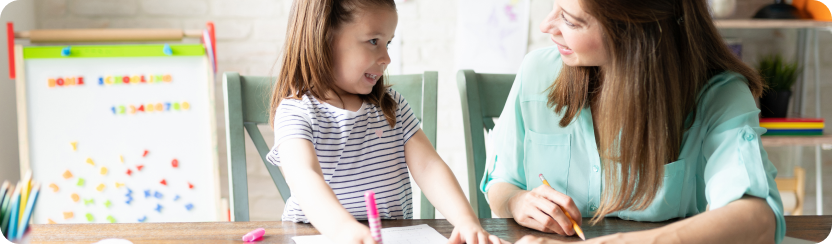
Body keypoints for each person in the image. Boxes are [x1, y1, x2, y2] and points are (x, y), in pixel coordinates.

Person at [481, 0, 785, 243]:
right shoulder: (536, 72)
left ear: (633, 30)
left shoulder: (719, 94)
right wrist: (517, 202)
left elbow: (758, 219)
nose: (548, 26)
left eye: (570, 20)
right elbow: (501, 181)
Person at [267, 0, 503, 243]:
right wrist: (344, 230)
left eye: (388, 43)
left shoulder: (391, 105)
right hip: (318, 236)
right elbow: (304, 177)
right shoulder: (296, 112)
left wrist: (466, 220)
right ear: (325, 37)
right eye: (373, 41)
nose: (386, 57)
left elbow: (429, 167)